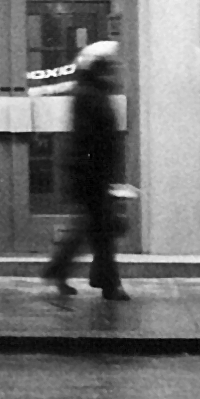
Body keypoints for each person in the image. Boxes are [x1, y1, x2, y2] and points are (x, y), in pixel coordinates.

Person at [42, 40, 128, 301]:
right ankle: (106, 284)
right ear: (98, 69)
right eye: (108, 67)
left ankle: (64, 271)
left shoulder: (90, 93)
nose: (113, 71)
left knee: (94, 231)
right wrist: (104, 175)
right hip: (91, 175)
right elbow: (92, 140)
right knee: (100, 231)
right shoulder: (91, 96)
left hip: (90, 174)